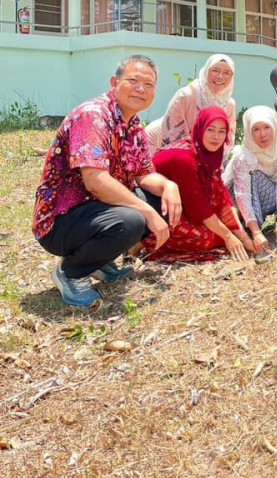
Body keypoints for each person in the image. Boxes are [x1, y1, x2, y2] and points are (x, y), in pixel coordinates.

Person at [32, 55, 182, 309]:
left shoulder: (133, 125)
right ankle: (71, 273)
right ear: (114, 82)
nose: (141, 89)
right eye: (133, 80)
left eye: (148, 84)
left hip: (96, 210)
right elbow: (96, 182)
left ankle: (99, 261)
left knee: (163, 204)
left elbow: (144, 175)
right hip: (62, 220)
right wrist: (146, 211)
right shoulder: (93, 116)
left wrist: (170, 186)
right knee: (133, 220)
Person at [143, 107, 255, 263]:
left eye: (222, 131)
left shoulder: (208, 154)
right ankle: (143, 241)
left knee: (221, 217)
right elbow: (200, 208)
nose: (216, 137)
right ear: (200, 128)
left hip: (182, 204)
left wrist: (243, 237)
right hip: (155, 212)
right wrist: (229, 237)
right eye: (210, 129)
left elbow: (221, 197)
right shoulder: (184, 159)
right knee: (209, 238)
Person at [223, 106, 277, 253]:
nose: (262, 134)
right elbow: (242, 194)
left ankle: (263, 222)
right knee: (253, 175)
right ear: (249, 131)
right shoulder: (244, 156)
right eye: (256, 129)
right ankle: (252, 226)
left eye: (267, 127)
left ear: (274, 126)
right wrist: (256, 233)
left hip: (270, 199)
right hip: (243, 199)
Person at [156, 53, 236, 155]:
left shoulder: (229, 104)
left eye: (226, 73)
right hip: (180, 154)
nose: (220, 76)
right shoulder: (186, 95)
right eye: (215, 70)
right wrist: (194, 156)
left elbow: (229, 137)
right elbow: (171, 131)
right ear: (206, 71)